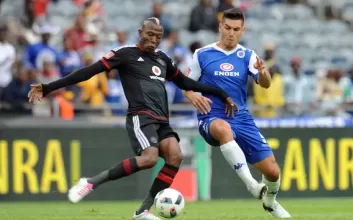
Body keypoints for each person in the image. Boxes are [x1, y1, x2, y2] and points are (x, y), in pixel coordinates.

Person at [28, 17, 238, 220]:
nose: (154, 40)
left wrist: (221, 93)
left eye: (158, 36)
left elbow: (185, 82)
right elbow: (87, 72)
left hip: (162, 120)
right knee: (150, 159)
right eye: (150, 35)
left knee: (175, 157)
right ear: (140, 33)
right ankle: (91, 182)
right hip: (141, 116)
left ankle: (142, 212)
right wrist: (48, 88)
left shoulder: (162, 58)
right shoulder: (125, 54)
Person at [183, 8, 291, 218]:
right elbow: (185, 83)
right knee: (223, 129)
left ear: (243, 30)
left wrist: (263, 72)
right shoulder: (202, 54)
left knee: (273, 172)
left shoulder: (248, 55)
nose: (231, 33)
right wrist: (191, 95)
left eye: (236, 29)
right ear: (220, 27)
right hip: (211, 117)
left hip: (241, 119)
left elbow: (266, 84)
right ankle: (251, 185)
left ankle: (270, 202)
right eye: (227, 28)